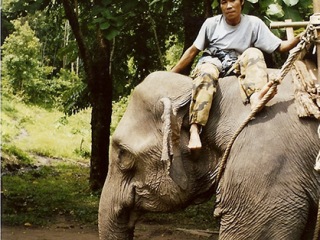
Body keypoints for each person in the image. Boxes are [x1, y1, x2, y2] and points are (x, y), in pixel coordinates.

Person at [171, 0, 302, 149]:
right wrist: (170, 74)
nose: (228, 6)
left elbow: (281, 46)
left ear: (242, 2)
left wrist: (303, 36)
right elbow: (192, 51)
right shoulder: (211, 24)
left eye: (232, 0)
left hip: (238, 63)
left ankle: (256, 96)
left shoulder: (253, 23)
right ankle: (194, 129)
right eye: (223, 2)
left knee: (254, 52)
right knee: (206, 73)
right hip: (213, 61)